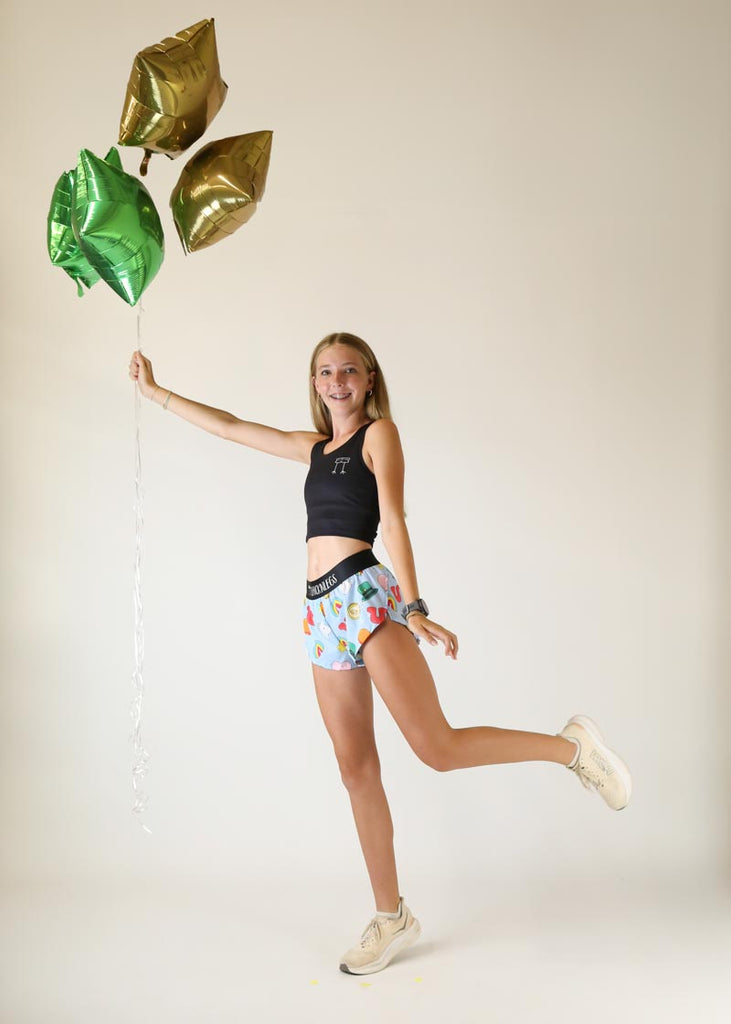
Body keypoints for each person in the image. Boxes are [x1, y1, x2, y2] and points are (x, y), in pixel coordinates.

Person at [128, 332, 632, 976]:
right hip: (319, 612)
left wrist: (415, 607)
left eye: (349, 370)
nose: (336, 381)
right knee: (356, 770)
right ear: (314, 383)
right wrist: (156, 393)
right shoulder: (314, 449)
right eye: (325, 371)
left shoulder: (379, 435)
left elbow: (392, 518)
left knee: (437, 748)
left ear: (369, 379)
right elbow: (230, 427)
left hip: (363, 596)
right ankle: (391, 916)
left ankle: (572, 749)